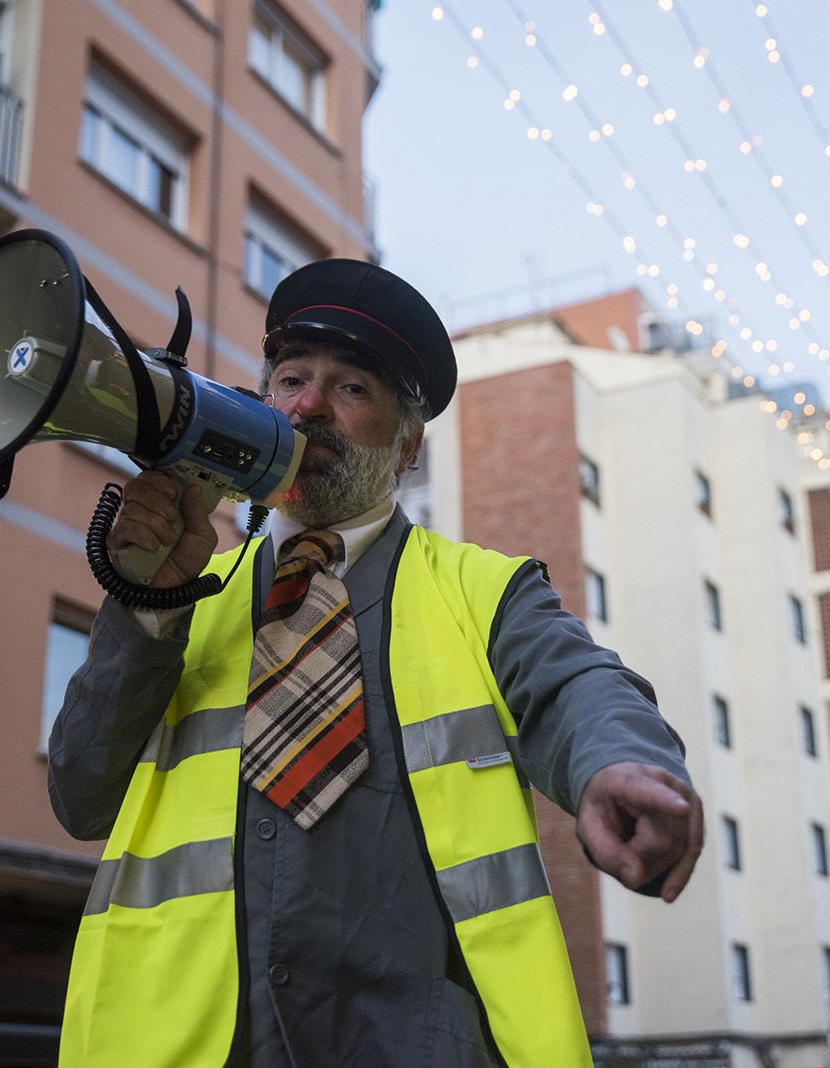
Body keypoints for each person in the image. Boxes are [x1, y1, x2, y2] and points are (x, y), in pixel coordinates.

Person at [48, 259, 703, 1067]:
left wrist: (618, 761)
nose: (310, 406)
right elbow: (79, 795)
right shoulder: (189, 600)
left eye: (353, 389)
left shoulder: (485, 591)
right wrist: (144, 603)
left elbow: (581, 687)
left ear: (408, 446)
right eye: (290, 379)